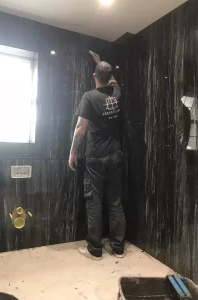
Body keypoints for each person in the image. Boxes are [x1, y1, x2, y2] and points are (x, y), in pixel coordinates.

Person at [69, 52, 126, 261]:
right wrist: (100, 63)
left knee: (94, 201)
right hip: (115, 156)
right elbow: (112, 80)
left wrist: (72, 152)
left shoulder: (89, 97)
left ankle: (95, 249)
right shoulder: (116, 93)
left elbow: (80, 128)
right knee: (115, 202)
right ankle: (118, 247)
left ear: (94, 77)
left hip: (95, 158)